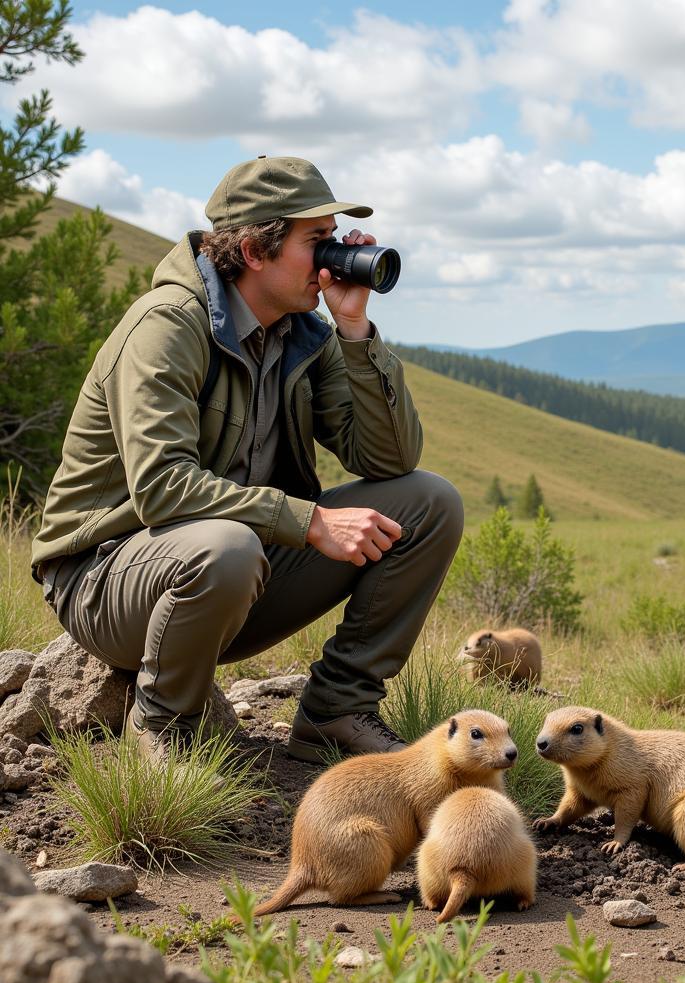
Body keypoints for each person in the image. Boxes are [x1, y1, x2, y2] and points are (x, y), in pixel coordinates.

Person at [30, 155, 463, 763]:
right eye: (317, 241)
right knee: (226, 548)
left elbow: (390, 458)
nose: (333, 256)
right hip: (106, 580)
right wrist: (309, 522)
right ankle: (164, 729)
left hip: (233, 571)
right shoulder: (167, 326)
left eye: (335, 240)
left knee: (429, 501)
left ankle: (336, 711)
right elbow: (162, 489)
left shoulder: (305, 334)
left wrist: (356, 330)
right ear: (257, 250)